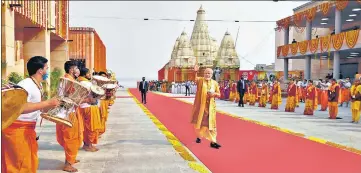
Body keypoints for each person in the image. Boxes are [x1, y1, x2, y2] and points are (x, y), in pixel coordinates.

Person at [1, 56, 60, 173]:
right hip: (17, 130)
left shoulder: (37, 85)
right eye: (46, 68)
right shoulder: (26, 84)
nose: (47, 71)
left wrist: (51, 106)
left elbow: (39, 107)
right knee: (18, 165)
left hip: (27, 130)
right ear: (40, 70)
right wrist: (47, 102)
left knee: (28, 163)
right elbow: (20, 107)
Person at [56, 60, 83, 172]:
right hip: (67, 112)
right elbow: (70, 97)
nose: (78, 70)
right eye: (76, 68)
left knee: (72, 137)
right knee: (71, 138)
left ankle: (71, 158)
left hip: (66, 112)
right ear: (71, 69)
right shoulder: (69, 80)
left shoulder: (67, 79)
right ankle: (68, 164)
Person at [191, 65, 221, 149]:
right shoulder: (201, 80)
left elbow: (219, 94)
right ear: (204, 74)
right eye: (206, 73)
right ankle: (199, 136)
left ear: (212, 74)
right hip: (201, 107)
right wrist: (195, 72)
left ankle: (213, 141)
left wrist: (214, 94)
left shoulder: (215, 83)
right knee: (201, 124)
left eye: (209, 73)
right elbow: (195, 79)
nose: (207, 75)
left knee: (212, 125)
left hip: (211, 108)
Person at [77, 67, 102, 152]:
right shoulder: (87, 84)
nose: (90, 75)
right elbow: (96, 93)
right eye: (88, 73)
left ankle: (87, 144)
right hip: (89, 107)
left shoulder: (78, 81)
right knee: (91, 127)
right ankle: (88, 145)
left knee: (86, 126)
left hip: (82, 107)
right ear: (85, 74)